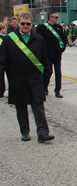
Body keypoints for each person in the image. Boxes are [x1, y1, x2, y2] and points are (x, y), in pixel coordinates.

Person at [0, 12, 55, 143]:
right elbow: (1, 63)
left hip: (35, 79)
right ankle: (25, 131)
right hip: (17, 79)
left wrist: (45, 82)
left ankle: (43, 133)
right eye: (23, 23)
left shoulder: (38, 39)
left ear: (32, 24)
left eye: (28, 24)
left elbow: (44, 61)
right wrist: (2, 84)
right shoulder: (8, 40)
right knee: (21, 106)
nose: (25, 26)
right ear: (18, 24)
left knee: (38, 106)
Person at [36, 11, 67, 98]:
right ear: (50, 17)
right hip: (47, 54)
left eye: (57, 17)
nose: (57, 19)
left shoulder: (59, 28)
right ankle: (45, 87)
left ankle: (57, 90)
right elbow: (38, 40)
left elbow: (63, 39)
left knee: (58, 72)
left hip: (57, 53)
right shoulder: (41, 28)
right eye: (55, 17)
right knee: (48, 72)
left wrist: (62, 48)